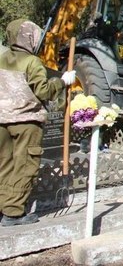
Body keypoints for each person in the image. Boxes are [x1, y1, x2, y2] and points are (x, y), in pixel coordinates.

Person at [0, 19, 75, 226]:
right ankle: (13, 213)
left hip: (2, 120)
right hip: (26, 121)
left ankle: (3, 206)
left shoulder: (2, 57)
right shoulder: (32, 62)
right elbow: (43, 91)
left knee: (4, 164)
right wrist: (62, 81)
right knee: (25, 164)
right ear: (29, 38)